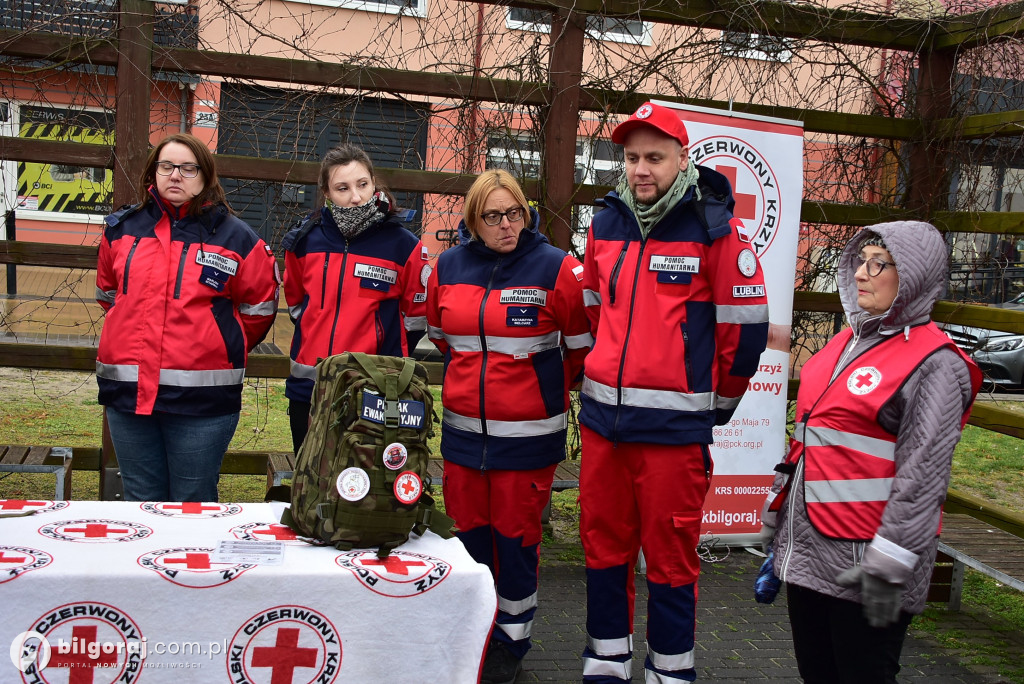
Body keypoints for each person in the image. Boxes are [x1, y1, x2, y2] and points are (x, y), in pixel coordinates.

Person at [578, 101, 769, 682]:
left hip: (672, 437)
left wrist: (711, 409)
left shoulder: (715, 230)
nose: (640, 169)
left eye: (654, 158)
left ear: (682, 158)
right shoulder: (606, 222)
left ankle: (670, 672)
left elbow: (748, 331)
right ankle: (606, 665)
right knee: (603, 553)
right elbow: (593, 308)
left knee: (670, 562)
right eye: (632, 157)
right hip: (603, 428)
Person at [760, 221, 981, 684]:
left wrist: (892, 560)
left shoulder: (936, 365)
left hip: (867, 563)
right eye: (860, 260)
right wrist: (778, 516)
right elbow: (810, 438)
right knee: (818, 675)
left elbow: (923, 476)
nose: (862, 273)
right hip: (812, 551)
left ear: (915, 275)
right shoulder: (847, 343)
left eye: (878, 263)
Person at [426, 169, 592, 684]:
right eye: (493, 216)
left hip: (528, 438)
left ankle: (512, 641)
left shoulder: (556, 268)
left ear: (526, 212)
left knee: (516, 541)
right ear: (473, 221)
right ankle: (476, 631)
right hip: (462, 437)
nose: (505, 225)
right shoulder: (448, 267)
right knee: (472, 541)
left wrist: (528, 393)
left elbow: (580, 350)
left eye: (514, 212)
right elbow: (441, 337)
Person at [95, 133, 281, 502]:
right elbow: (109, 295)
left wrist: (218, 340)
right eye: (167, 166)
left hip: (203, 401)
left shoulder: (238, 239)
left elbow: (259, 309)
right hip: (128, 395)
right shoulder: (121, 230)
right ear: (154, 172)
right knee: (140, 499)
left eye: (187, 168)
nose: (175, 175)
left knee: (192, 502)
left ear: (205, 176)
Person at [282, 143, 428, 453]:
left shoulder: (404, 245)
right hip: (309, 386)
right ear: (326, 192)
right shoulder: (305, 239)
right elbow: (296, 304)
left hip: (375, 387)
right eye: (342, 188)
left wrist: (388, 361)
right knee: (310, 481)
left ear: (374, 182)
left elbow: (417, 317)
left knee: (366, 486)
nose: (356, 196)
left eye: (363, 184)